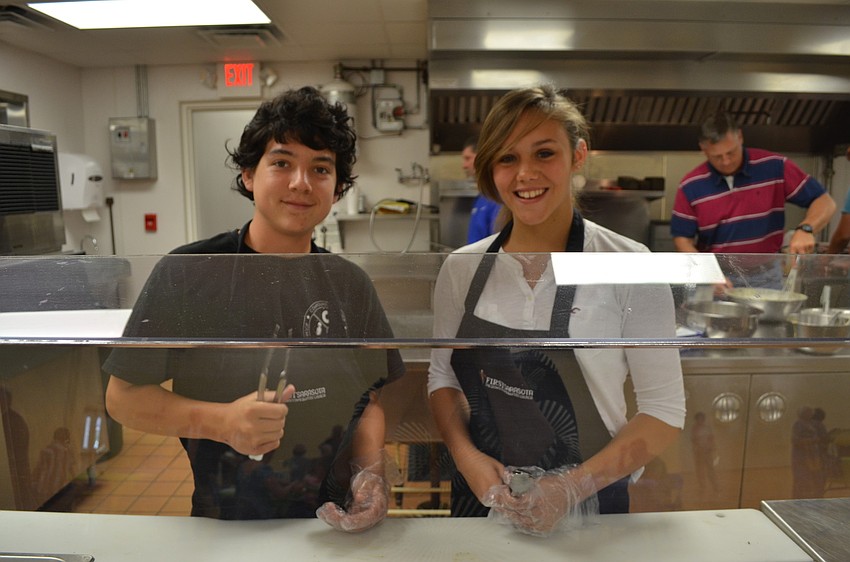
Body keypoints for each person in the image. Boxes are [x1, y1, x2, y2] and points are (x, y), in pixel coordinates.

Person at [103, 87, 404, 530]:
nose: (301, 182)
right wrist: (222, 422)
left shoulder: (348, 283)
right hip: (226, 521)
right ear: (248, 173)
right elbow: (122, 399)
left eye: (320, 168)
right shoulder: (190, 271)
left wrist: (370, 474)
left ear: (336, 188)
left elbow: (370, 399)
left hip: (336, 523)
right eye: (282, 163)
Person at [427, 85, 686, 536]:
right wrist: (468, 460)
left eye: (544, 153)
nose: (525, 174)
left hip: (591, 505)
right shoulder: (462, 269)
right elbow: (443, 378)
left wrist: (570, 487)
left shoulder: (628, 265)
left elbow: (663, 412)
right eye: (507, 158)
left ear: (578, 155)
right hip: (481, 499)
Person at [671, 111, 835, 256]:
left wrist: (806, 229)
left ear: (740, 137)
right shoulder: (690, 185)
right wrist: (707, 273)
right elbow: (682, 240)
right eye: (717, 157)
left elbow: (825, 202)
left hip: (766, 277)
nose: (726, 161)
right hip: (716, 278)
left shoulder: (775, 166)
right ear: (703, 149)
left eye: (731, 152)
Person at [465, 136, 502, 244]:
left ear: (482, 157)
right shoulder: (482, 196)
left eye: (468, 158)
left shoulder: (497, 198)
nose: (464, 165)